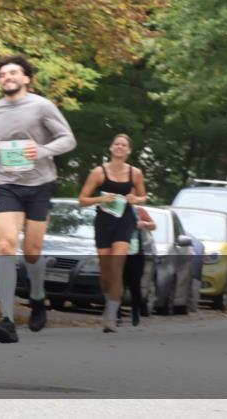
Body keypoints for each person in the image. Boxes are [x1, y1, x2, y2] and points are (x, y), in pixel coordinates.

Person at [0, 55, 77, 343]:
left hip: (39, 185)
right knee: (6, 246)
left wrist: (42, 151)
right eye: (2, 74)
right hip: (6, 185)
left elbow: (68, 139)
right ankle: (6, 319)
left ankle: (36, 296)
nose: (7, 77)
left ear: (26, 78)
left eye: (13, 72)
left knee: (32, 252)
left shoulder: (42, 106)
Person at [77, 134, 148, 332]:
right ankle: (109, 302)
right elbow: (82, 199)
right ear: (111, 148)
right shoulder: (99, 172)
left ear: (129, 151)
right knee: (106, 271)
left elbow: (144, 197)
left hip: (124, 222)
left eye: (124, 145)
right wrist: (101, 199)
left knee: (117, 266)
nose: (119, 147)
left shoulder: (135, 173)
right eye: (116, 144)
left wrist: (136, 199)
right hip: (104, 222)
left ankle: (111, 316)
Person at [119, 205, 156, 327]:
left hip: (136, 254)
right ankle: (116, 314)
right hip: (119, 252)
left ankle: (135, 313)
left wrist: (143, 224)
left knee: (135, 285)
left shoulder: (139, 211)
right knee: (120, 284)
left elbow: (153, 225)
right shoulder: (115, 209)